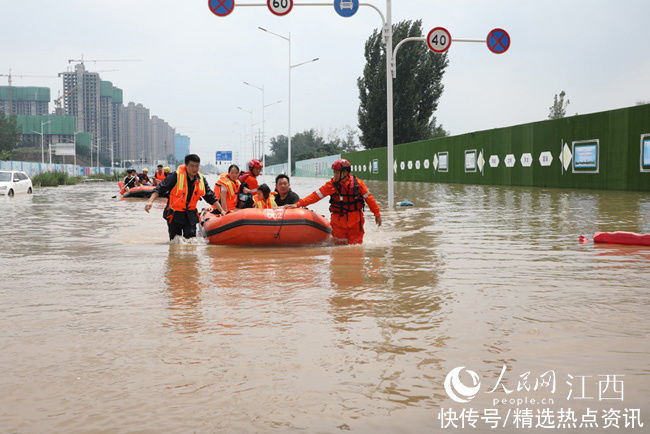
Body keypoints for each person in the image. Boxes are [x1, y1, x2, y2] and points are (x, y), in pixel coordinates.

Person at [284, 159, 381, 245]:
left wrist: (377, 214)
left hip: (355, 222)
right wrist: (298, 204)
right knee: (338, 249)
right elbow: (315, 196)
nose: (335, 175)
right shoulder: (331, 185)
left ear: (346, 173)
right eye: (334, 172)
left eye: (337, 172)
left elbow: (369, 199)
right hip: (338, 222)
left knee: (356, 249)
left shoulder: (358, 184)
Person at [145, 154, 225, 240]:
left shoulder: (201, 180)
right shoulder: (175, 176)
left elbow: (210, 196)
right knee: (175, 242)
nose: (195, 169)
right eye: (192, 166)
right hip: (175, 214)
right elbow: (159, 189)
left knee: (191, 241)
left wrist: (222, 210)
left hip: (190, 215)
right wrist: (150, 202)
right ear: (186, 165)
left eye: (197, 166)